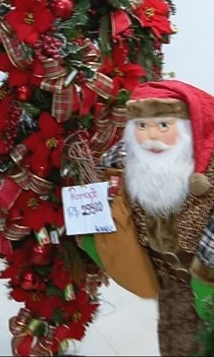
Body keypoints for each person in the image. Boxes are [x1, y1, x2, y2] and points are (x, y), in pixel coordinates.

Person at [84, 80, 214, 356]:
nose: (151, 135)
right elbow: (100, 178)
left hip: (205, 273)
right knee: (175, 339)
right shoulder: (128, 157)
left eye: (164, 125)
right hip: (169, 279)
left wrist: (206, 273)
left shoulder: (208, 165)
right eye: (141, 126)